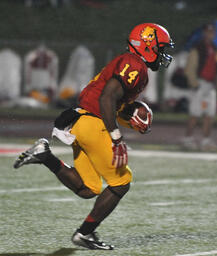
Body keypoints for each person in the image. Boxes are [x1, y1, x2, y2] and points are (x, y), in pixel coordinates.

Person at [13, 23, 174, 250]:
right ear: (147, 45)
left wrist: (131, 117)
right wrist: (116, 138)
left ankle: (44, 154)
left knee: (89, 188)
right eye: (161, 48)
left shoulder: (133, 65)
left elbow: (110, 100)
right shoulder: (134, 64)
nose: (163, 54)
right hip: (91, 122)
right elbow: (107, 98)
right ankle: (84, 234)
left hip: (81, 122)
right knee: (121, 182)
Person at [182, 23, 217, 151]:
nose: (211, 34)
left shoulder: (214, 48)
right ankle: (188, 139)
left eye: (212, 32)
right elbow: (190, 67)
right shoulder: (197, 47)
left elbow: (216, 65)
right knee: (195, 113)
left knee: (209, 114)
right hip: (200, 84)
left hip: (210, 86)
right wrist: (195, 83)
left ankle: (206, 141)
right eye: (208, 31)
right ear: (204, 32)